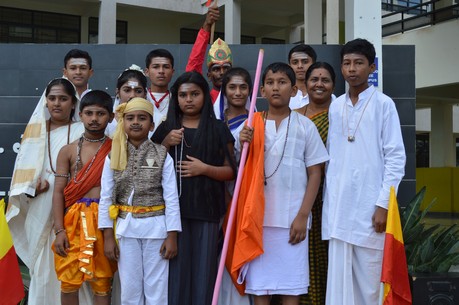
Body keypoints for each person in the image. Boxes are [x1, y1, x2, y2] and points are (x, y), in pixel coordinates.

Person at [236, 62, 329, 305]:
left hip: (292, 221)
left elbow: (316, 173)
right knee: (260, 289)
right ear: (262, 90)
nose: (275, 88)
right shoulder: (251, 124)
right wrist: (241, 141)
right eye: (270, 83)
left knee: (291, 289)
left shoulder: (305, 126)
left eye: (282, 82)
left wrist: (302, 215)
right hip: (257, 220)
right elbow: (239, 170)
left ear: (294, 89)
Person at [323, 38, 406, 305]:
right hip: (338, 208)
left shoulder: (384, 104)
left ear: (371, 68)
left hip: (370, 208)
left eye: (359, 63)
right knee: (339, 281)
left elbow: (396, 158)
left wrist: (383, 204)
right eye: (347, 63)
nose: (352, 69)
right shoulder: (335, 106)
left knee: (370, 283)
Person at [152, 71, 236, 305]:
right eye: (183, 95)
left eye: (195, 94)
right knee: (175, 276)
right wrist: (165, 143)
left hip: (207, 213)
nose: (189, 99)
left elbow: (231, 172)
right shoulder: (165, 130)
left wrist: (204, 169)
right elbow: (146, 170)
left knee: (203, 275)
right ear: (175, 98)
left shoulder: (218, 128)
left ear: (204, 97)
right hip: (170, 216)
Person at [7, 78, 89, 305]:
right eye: (51, 98)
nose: (56, 103)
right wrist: (32, 190)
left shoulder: (83, 131)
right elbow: (20, 182)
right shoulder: (35, 134)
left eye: (63, 99)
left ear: (73, 103)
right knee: (43, 272)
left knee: (76, 272)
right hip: (40, 209)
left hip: (76, 211)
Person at [99, 97, 182, 305]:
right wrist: (108, 236)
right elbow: (106, 197)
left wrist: (172, 235)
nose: (136, 122)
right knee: (130, 288)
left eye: (142, 118)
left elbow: (171, 197)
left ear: (151, 125)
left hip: (156, 228)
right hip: (126, 229)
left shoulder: (162, 154)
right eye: (130, 118)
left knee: (157, 287)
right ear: (123, 122)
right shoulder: (113, 155)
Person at [52, 90, 116, 305]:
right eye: (89, 113)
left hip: (104, 221)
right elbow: (59, 191)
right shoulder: (68, 151)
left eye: (100, 113)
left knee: (102, 280)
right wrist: (59, 230)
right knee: (68, 279)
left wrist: (109, 235)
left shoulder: (115, 149)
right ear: (80, 115)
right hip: (72, 222)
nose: (94, 118)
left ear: (112, 117)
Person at [295, 62, 335, 305]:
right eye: (314, 79)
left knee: (321, 255)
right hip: (296, 193)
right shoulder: (295, 115)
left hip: (327, 198)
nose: (319, 84)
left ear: (333, 85)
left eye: (325, 80)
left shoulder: (339, 115)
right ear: (305, 84)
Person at [185, 5, 232, 103]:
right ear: (209, 75)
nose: (222, 72)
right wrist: (206, 26)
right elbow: (192, 70)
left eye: (226, 68)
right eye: (216, 69)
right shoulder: (206, 100)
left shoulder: (240, 99)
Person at [106, 64, 147, 137]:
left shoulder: (156, 119)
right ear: (118, 92)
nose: (132, 95)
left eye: (138, 91)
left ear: (145, 94)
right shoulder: (107, 120)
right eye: (127, 90)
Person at [144, 49, 175, 129]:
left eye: (166, 67)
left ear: (172, 72)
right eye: (156, 67)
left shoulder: (178, 100)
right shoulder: (140, 98)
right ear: (147, 72)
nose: (161, 71)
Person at [288, 44, 317, 110]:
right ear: (289, 66)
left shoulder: (326, 96)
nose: (300, 66)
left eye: (305, 62)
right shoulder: (284, 95)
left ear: (314, 64)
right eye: (295, 62)